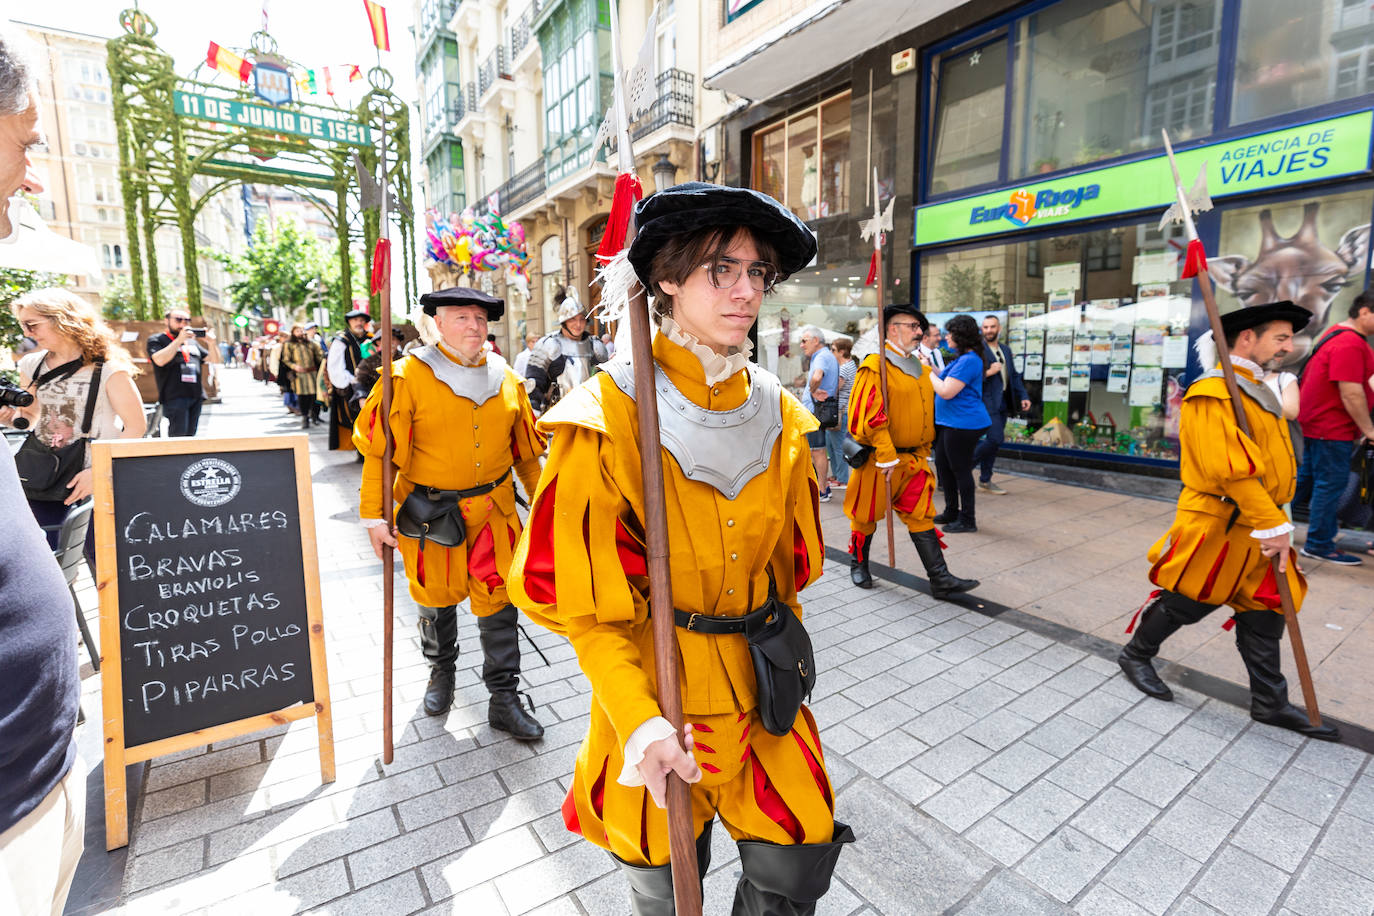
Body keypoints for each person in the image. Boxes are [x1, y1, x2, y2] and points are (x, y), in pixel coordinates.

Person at [509, 182, 852, 914]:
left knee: (797, 861)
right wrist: (638, 719)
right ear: (665, 280)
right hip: (659, 692)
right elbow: (585, 611)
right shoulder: (605, 416)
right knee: (666, 889)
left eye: (756, 272)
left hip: (762, 688)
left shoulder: (783, 414)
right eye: (719, 269)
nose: (745, 290)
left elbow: (791, 575)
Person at [1117, 301, 1339, 741]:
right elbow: (1230, 469)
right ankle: (1136, 655)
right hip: (1221, 522)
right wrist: (1273, 525)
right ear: (1246, 338)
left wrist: (1274, 521)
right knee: (1189, 599)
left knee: (1264, 611)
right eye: (1280, 337)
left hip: (1263, 523)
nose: (1287, 347)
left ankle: (1269, 703)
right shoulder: (1212, 394)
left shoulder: (1255, 389)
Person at [355, 286, 546, 738]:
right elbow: (381, 455)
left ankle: (504, 696)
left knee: (500, 603)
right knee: (433, 599)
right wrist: (373, 517)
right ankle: (441, 673)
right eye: (462, 317)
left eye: (481, 319)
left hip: (495, 513)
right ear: (437, 323)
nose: (474, 327)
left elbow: (526, 455)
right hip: (431, 515)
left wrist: (543, 504)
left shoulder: (506, 377)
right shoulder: (404, 377)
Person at [0, 33, 86, 916]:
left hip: (31, 775)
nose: (31, 175)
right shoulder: (32, 374)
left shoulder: (98, 373)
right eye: (25, 142)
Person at [845, 304, 980, 598]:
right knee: (865, 516)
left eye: (921, 327)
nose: (920, 332)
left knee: (921, 515)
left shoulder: (922, 369)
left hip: (915, 460)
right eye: (913, 326)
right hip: (880, 461)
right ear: (893, 329)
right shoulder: (874, 367)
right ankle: (858, 564)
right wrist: (885, 453)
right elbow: (866, 414)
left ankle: (940, 579)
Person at [3, 288, 146, 556]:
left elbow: (136, 427)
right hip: (43, 475)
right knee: (46, 558)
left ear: (62, 319)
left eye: (32, 325)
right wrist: (11, 418)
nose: (27, 333)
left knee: (104, 561)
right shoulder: (31, 364)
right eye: (23, 325)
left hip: (95, 478)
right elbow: (32, 417)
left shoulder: (108, 368)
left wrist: (100, 473)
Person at [1292, 290, 1374, 565]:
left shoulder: (1335, 333)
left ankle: (1265, 528)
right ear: (1364, 312)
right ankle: (1319, 544)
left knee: (1303, 481)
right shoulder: (1350, 343)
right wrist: (1370, 430)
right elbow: (1351, 393)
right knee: (1330, 486)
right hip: (1331, 428)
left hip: (1316, 426)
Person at [923, 314, 990, 533]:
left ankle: (968, 519)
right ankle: (952, 511)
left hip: (963, 423)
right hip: (952, 422)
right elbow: (945, 378)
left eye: (950, 333)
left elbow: (946, 390)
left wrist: (925, 372)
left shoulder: (970, 360)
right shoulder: (964, 359)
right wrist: (930, 366)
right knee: (943, 465)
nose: (945, 337)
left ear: (960, 336)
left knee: (959, 470)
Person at [971, 315, 1030, 496]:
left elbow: (1013, 376)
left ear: (999, 328)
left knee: (994, 444)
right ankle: (963, 467)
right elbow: (968, 377)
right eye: (986, 327)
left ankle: (985, 480)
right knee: (995, 439)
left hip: (1004, 401)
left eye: (992, 327)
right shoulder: (977, 350)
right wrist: (989, 372)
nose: (989, 330)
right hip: (986, 402)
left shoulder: (1005, 349)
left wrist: (1023, 396)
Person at [525, 289, 609, 410]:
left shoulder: (596, 347)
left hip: (592, 414)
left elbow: (606, 385)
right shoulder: (548, 345)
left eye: (581, 319)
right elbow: (533, 386)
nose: (578, 324)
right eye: (572, 319)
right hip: (556, 416)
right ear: (563, 322)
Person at [146, 306, 217, 437]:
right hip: (174, 396)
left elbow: (214, 359)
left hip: (195, 395)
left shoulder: (192, 343)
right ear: (166, 321)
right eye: (178, 320)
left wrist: (211, 343)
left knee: (191, 436)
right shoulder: (157, 340)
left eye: (187, 320)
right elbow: (159, 360)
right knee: (179, 437)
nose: (183, 324)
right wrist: (179, 340)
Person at [798, 325, 838, 502]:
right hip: (818, 410)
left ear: (816, 340)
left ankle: (822, 489)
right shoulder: (826, 355)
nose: (801, 345)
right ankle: (823, 487)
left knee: (817, 450)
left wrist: (813, 390)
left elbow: (816, 376)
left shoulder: (822, 356)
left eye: (804, 341)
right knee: (818, 450)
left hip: (815, 410)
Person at [326, 308, 370, 451]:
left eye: (362, 320)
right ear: (350, 322)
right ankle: (359, 448)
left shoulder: (370, 338)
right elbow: (334, 364)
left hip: (370, 384)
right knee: (353, 417)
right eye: (356, 320)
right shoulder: (342, 340)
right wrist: (347, 382)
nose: (359, 323)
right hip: (350, 385)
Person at [826, 336, 856, 489]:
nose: (831, 352)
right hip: (840, 411)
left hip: (840, 412)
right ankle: (837, 475)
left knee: (837, 447)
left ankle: (843, 478)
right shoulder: (849, 365)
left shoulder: (844, 368)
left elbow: (834, 388)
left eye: (833, 350)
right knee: (832, 445)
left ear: (842, 351)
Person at [281, 324, 323, 429]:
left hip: (312, 373)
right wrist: (294, 366)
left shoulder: (311, 343)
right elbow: (286, 359)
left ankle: (315, 415)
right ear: (293, 333)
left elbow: (319, 356)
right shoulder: (289, 344)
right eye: (297, 331)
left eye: (301, 330)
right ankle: (305, 418)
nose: (300, 333)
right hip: (299, 376)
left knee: (314, 397)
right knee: (303, 397)